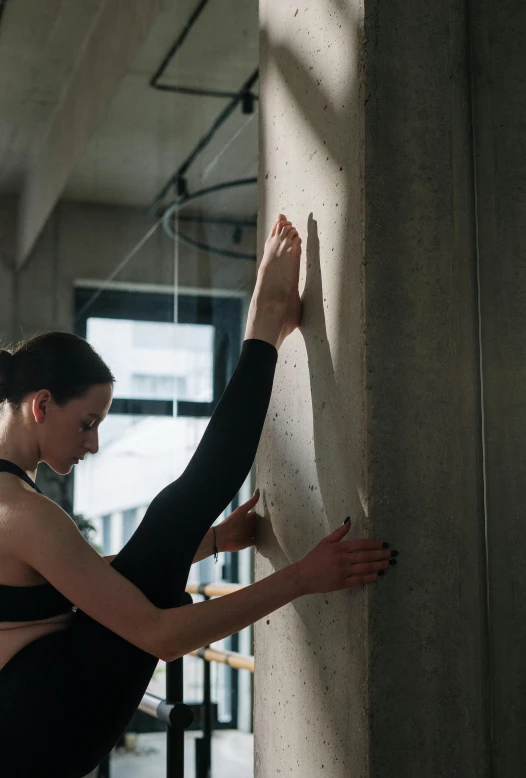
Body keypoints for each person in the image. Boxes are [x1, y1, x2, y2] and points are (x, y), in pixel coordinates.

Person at [0, 215, 396, 777]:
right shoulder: (23, 512)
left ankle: (264, 334)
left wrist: (207, 543)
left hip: (35, 719)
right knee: (180, 503)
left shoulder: (12, 502)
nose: (93, 443)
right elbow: (160, 638)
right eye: (87, 423)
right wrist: (302, 578)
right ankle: (263, 330)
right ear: (42, 405)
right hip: (42, 731)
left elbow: (80, 577)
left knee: (176, 513)